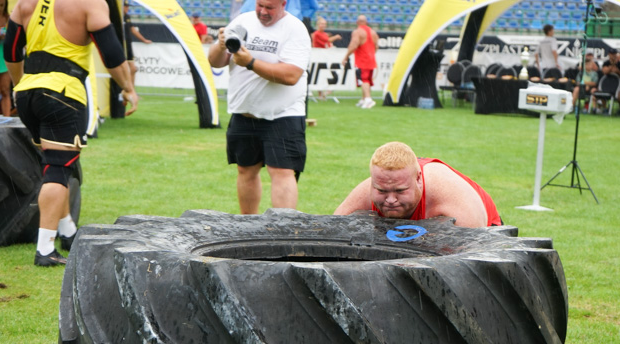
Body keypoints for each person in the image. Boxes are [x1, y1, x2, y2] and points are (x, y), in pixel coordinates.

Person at [4, 0, 138, 266]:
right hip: (63, 92)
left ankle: (68, 231)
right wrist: (128, 87)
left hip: (28, 91)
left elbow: (10, 50)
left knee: (59, 164)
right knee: (57, 167)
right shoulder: (89, 3)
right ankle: (45, 250)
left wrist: (20, 84)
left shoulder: (25, 3)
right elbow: (111, 53)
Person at [207, 0, 310, 215]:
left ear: (283, 4)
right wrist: (220, 44)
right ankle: (248, 227)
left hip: (283, 113)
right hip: (244, 112)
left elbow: (291, 75)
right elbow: (215, 62)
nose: (263, 11)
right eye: (260, 5)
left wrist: (251, 62)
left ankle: (284, 230)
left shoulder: (295, 29)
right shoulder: (242, 21)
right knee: (245, 169)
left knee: (281, 171)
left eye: (269, 7)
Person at [335, 141, 503, 228]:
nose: (391, 199)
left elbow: (475, 252)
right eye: (382, 191)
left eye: (400, 191)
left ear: (418, 180)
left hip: (487, 227)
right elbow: (331, 234)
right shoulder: (367, 192)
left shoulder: (448, 195)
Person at [342, 15, 378, 109]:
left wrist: (346, 56)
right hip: (371, 59)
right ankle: (363, 99)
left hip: (362, 60)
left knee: (364, 80)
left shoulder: (358, 32)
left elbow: (353, 45)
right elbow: (376, 46)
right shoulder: (373, 32)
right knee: (367, 80)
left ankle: (368, 99)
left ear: (357, 22)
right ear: (366, 22)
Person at [311, 16, 340, 101]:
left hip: (324, 57)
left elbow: (327, 44)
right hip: (318, 57)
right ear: (318, 24)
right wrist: (336, 37)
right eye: (322, 24)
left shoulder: (323, 34)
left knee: (325, 75)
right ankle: (320, 94)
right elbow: (327, 40)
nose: (323, 25)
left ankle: (324, 93)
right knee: (319, 75)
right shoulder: (317, 34)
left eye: (324, 24)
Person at [124, 1, 152, 86]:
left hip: (128, 45)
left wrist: (144, 40)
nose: (127, 8)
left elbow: (133, 30)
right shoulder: (116, 17)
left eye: (128, 6)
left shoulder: (127, 16)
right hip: (121, 45)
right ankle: (124, 91)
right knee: (123, 70)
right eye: (126, 6)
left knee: (133, 69)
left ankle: (131, 90)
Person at [594, 49, 620, 114]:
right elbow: (605, 71)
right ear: (609, 54)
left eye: (614, 54)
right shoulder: (606, 63)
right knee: (602, 92)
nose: (613, 56)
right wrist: (612, 66)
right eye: (611, 54)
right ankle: (605, 108)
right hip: (607, 84)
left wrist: (617, 70)